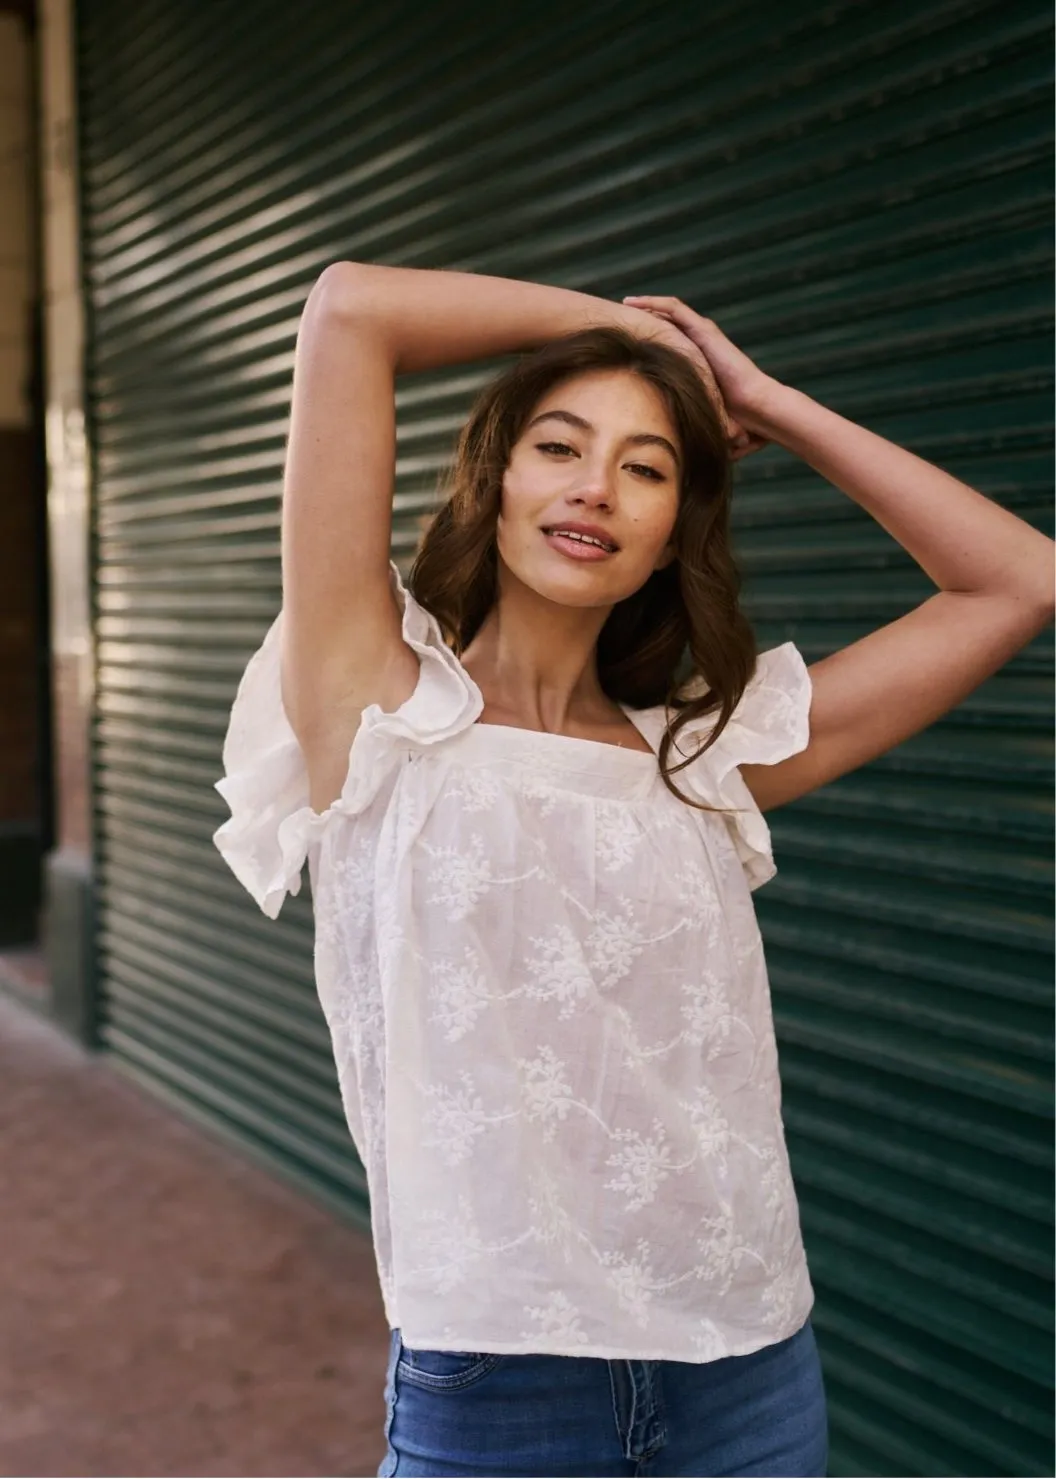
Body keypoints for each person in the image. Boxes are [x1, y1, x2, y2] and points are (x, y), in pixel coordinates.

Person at [212, 263, 1054, 1479]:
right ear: (495, 484)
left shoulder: (703, 757)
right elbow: (351, 310)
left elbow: (1019, 580)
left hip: (750, 1370)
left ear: (672, 538)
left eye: (649, 468)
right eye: (560, 447)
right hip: (496, 1380)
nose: (597, 486)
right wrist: (632, 331)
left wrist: (766, 397)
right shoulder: (375, 706)